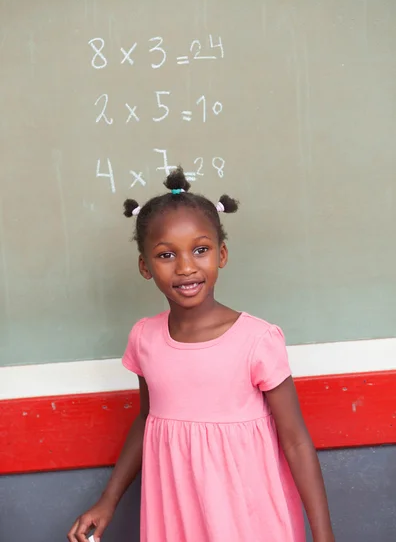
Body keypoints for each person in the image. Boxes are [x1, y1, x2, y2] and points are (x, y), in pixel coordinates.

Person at [68, 167, 334, 542]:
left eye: (200, 249)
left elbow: (295, 440)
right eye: (165, 254)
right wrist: (107, 501)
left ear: (221, 254)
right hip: (178, 515)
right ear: (145, 266)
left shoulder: (257, 340)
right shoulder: (144, 338)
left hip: (249, 517)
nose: (186, 266)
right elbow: (147, 419)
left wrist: (323, 535)